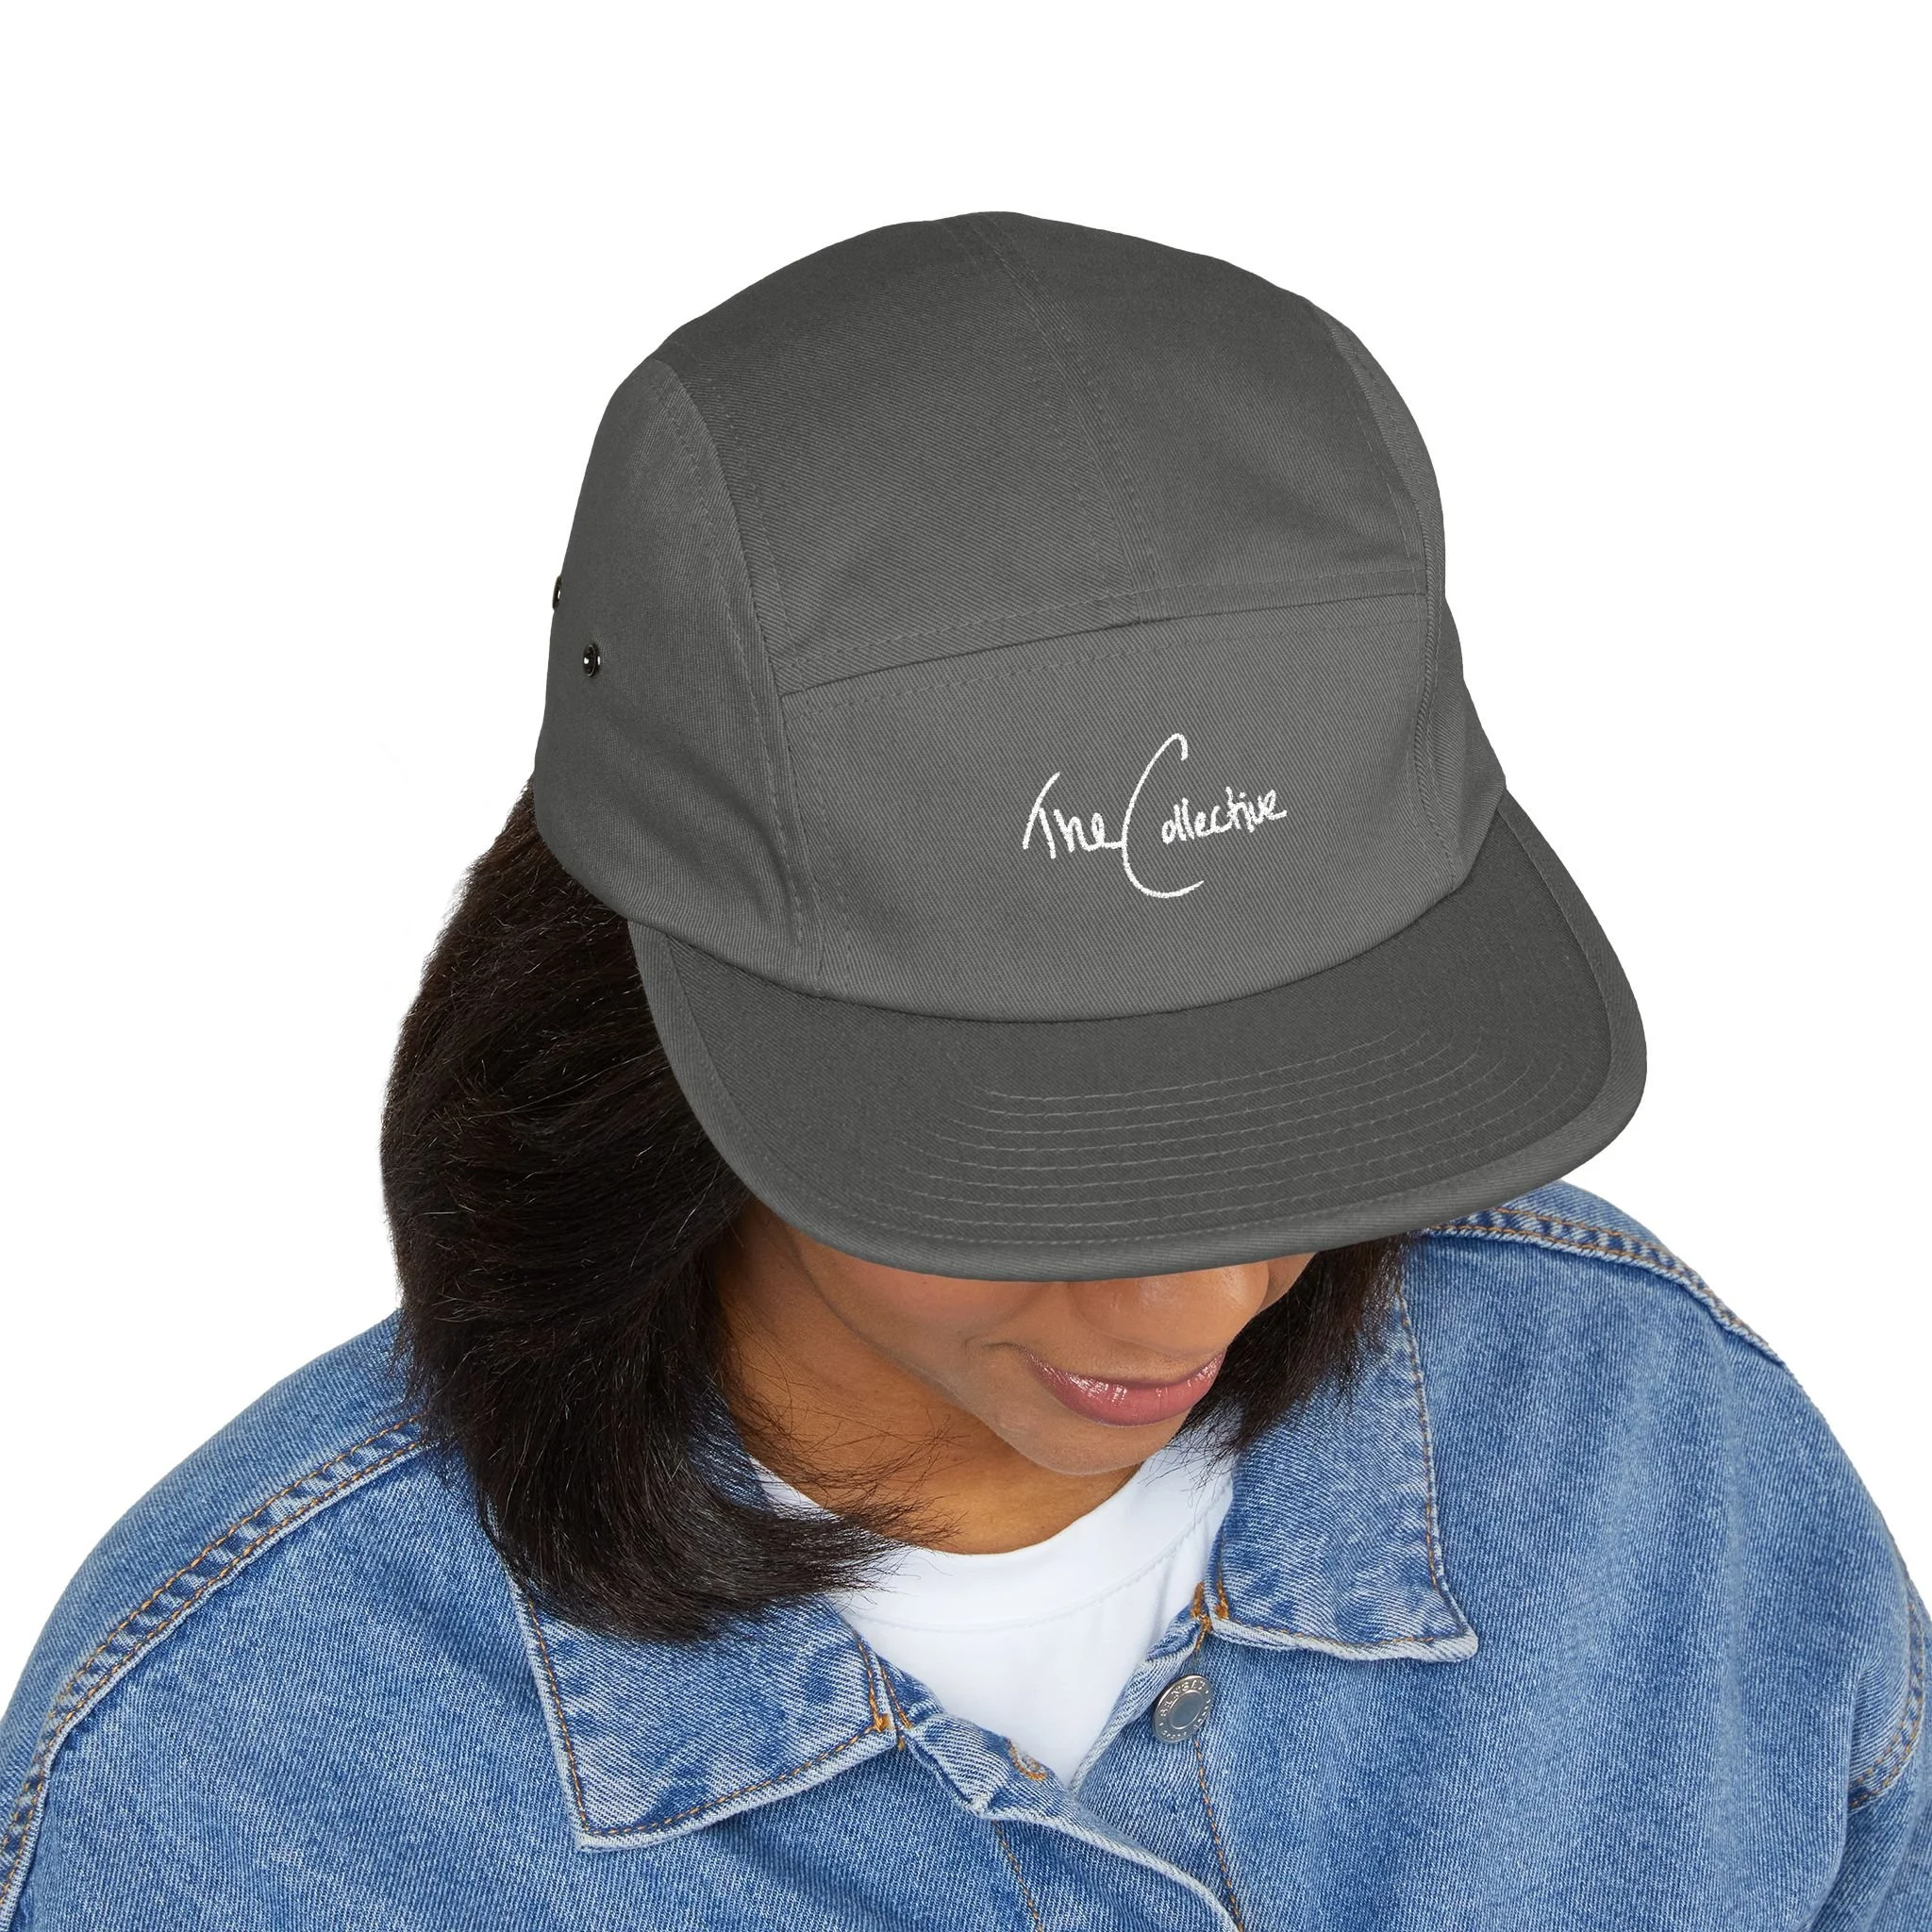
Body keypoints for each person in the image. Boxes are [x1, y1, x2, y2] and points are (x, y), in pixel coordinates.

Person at [2, 212, 1924, 1930]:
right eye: (1039, 1157)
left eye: (1297, 1110)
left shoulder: (1650, 1444)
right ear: (652, 997)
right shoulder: (235, 1790)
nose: (1201, 1298)